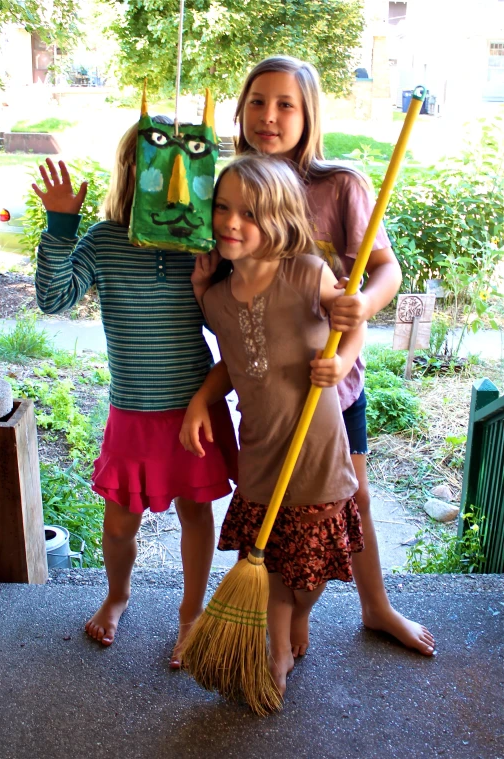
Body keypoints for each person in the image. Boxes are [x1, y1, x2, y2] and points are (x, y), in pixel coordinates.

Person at [187, 55, 435, 657]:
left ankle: (375, 605)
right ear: (241, 110)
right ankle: (285, 623)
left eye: (286, 104)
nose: (269, 116)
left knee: (352, 497)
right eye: (257, 102)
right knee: (277, 511)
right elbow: (227, 302)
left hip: (333, 382)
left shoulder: (339, 184)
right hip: (265, 392)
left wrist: (362, 311)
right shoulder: (230, 189)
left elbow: (385, 269)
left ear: (309, 114)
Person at [33, 123, 238, 666]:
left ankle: (192, 613)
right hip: (133, 413)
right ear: (131, 174)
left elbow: (231, 329)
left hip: (194, 409)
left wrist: (208, 280)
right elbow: (53, 299)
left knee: (197, 513)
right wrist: (60, 224)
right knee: (119, 523)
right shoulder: (104, 240)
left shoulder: (207, 244)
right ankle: (118, 595)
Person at [181, 155, 366, 695]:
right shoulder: (215, 299)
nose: (230, 222)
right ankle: (276, 648)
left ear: (281, 219)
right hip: (260, 454)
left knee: (309, 574)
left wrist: (344, 355)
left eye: (250, 214)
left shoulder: (306, 273)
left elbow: (350, 319)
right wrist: (200, 402)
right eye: (222, 207)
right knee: (269, 563)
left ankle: (298, 617)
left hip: (317, 453)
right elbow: (235, 364)